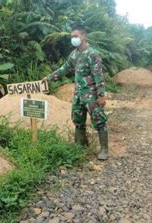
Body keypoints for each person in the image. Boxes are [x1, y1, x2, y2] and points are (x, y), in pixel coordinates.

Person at [44, 25, 109, 160]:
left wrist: (101, 95)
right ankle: (80, 147)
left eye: (76, 36)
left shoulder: (92, 54)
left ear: (83, 36)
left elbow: (98, 76)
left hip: (92, 94)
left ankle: (104, 150)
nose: (73, 39)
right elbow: (63, 69)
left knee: (99, 120)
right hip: (78, 94)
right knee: (78, 120)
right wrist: (49, 78)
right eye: (72, 37)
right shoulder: (74, 54)